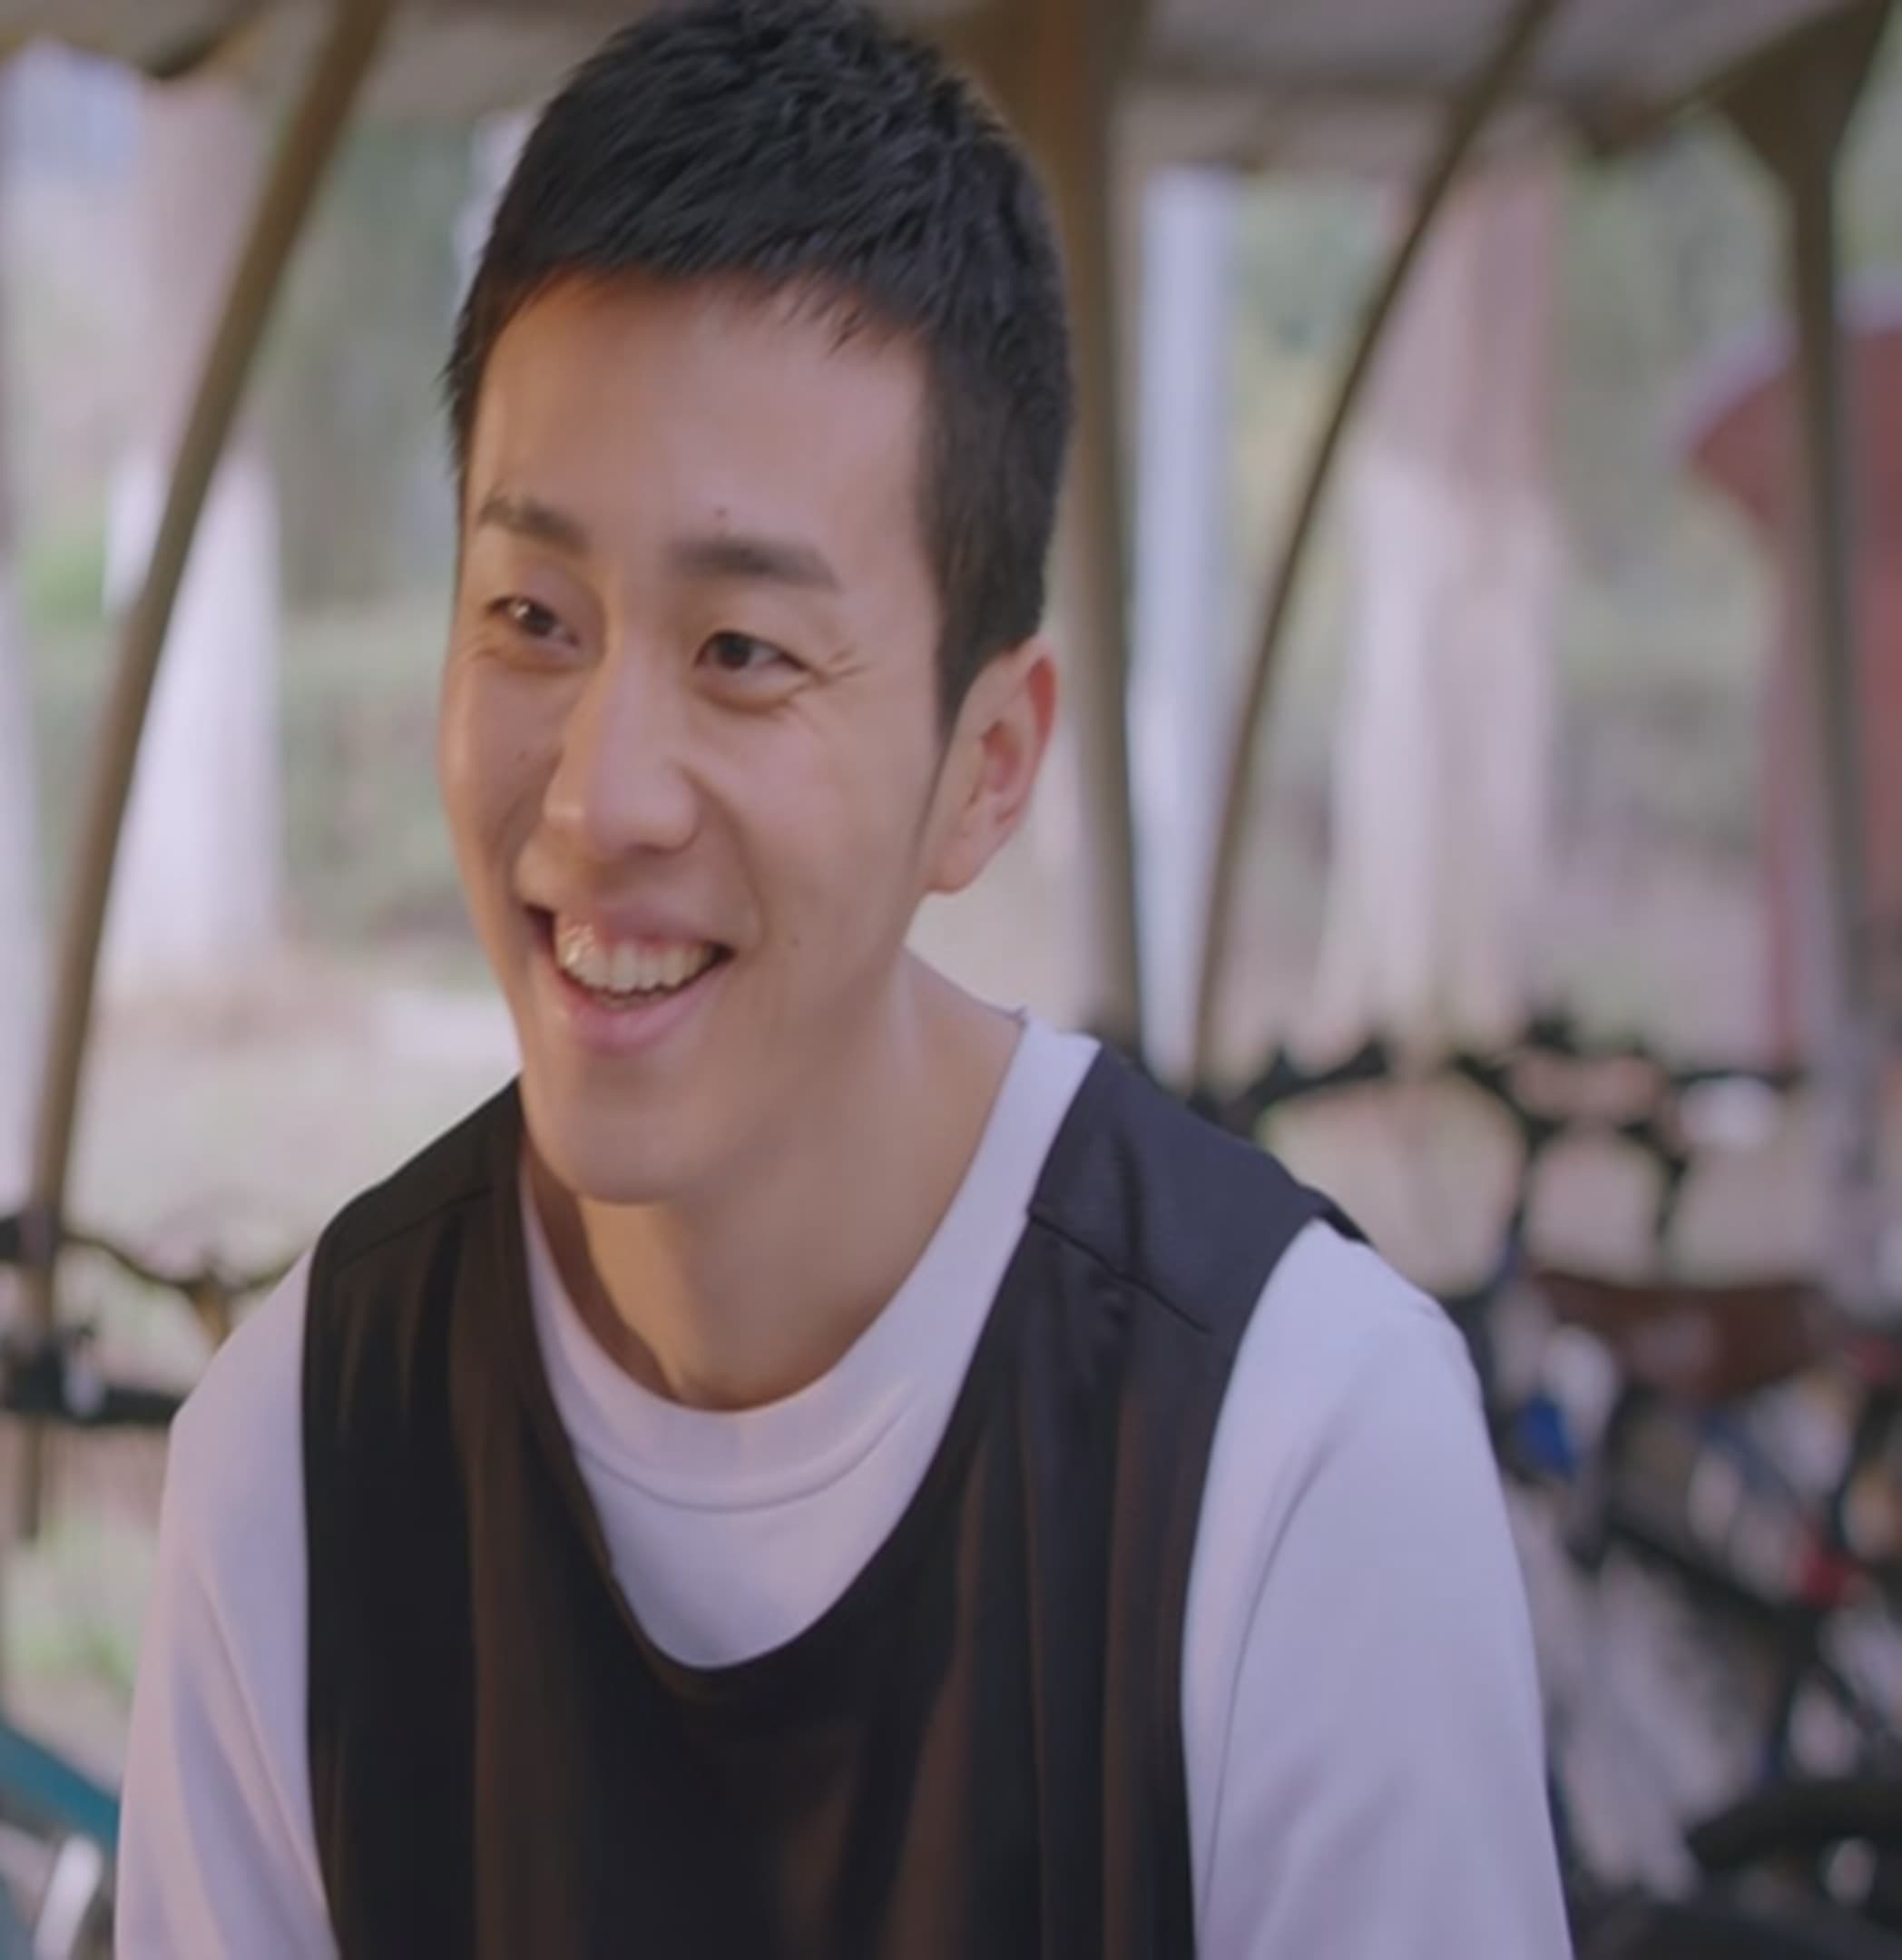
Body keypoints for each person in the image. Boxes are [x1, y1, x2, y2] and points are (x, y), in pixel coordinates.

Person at [118, 4, 1568, 1955]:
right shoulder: (298, 1466)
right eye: (533, 615)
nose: (603, 796)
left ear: (988, 767)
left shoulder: (1293, 1450)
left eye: (744, 652)